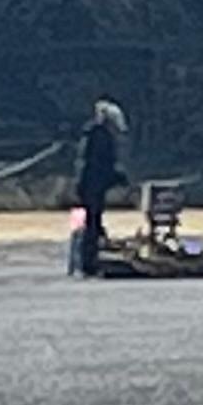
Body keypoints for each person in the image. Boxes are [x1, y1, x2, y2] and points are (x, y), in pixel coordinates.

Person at [70, 99, 130, 277]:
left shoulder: (92, 134)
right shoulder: (100, 136)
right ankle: (88, 261)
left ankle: (87, 259)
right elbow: (101, 165)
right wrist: (117, 176)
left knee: (93, 222)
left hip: (90, 185)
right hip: (93, 186)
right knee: (92, 223)